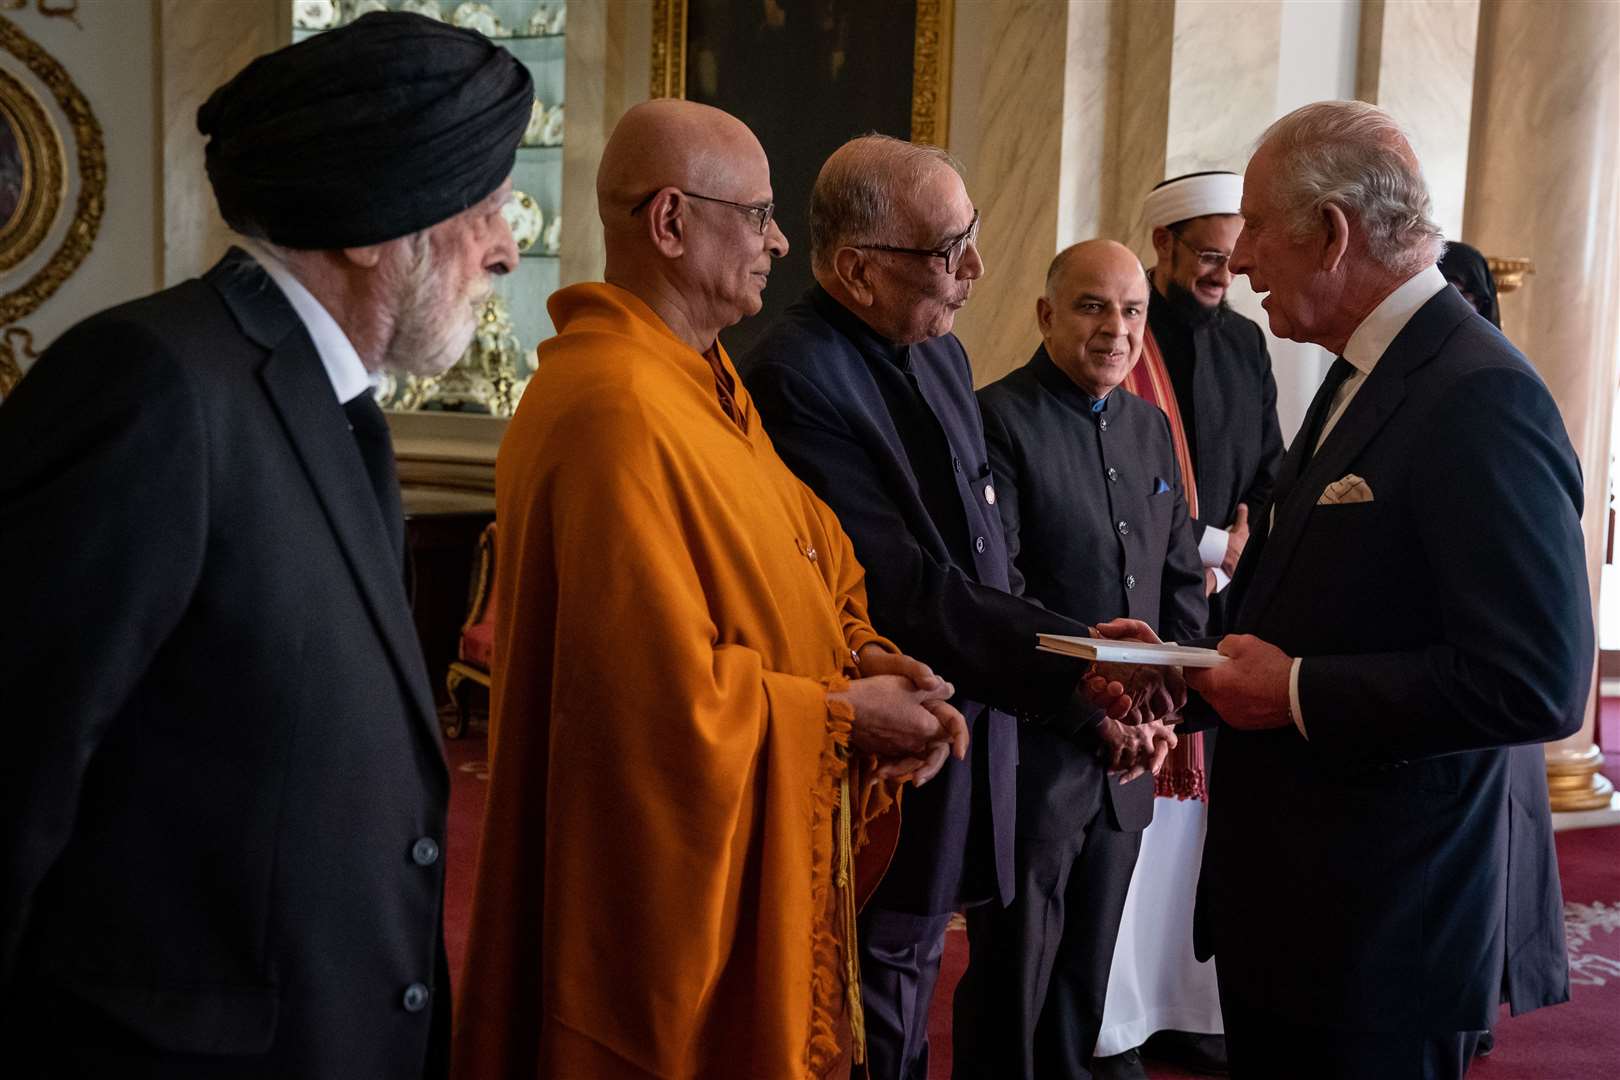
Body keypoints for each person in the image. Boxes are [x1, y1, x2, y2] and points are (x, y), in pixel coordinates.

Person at [0, 13, 531, 1076]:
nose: (508, 249)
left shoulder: (337, 408)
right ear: (372, 225)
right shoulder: (151, 386)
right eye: (481, 207)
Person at [451, 101, 969, 1080]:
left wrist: (858, 649)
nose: (778, 240)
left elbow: (818, 553)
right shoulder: (612, 409)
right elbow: (648, 706)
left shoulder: (703, 385)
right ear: (672, 222)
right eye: (759, 214)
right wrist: (842, 716)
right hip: (657, 912)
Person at [1161, 99, 1590, 1079]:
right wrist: (1170, 661)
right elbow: (1300, 595)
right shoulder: (1369, 372)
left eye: (1259, 230)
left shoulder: (1478, 391)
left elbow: (1535, 684)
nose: (1244, 262)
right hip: (1305, 922)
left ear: (1333, 234)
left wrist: (1298, 691)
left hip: (1383, 932)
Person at [740, 135, 1175, 1080]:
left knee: (926, 976)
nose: (974, 270)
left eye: (969, 237)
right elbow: (899, 583)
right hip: (882, 747)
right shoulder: (791, 375)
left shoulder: (936, 351)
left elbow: (986, 559)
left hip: (981, 735)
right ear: (858, 269)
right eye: (950, 250)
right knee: (873, 999)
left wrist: (1078, 678)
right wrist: (1074, 659)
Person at [973, 239, 1204, 1080]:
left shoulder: (1150, 429)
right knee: (1012, 981)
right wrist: (1093, 710)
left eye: (1133, 310)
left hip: (1130, 761)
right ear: (1044, 314)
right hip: (1037, 752)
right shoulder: (995, 418)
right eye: (1091, 306)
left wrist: (1162, 716)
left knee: (1086, 981)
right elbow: (1003, 591)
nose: (1116, 329)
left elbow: (1180, 580)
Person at [1094, 171, 1284, 1078]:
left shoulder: (1248, 343)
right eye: (1208, 255)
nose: (1223, 273)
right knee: (1139, 808)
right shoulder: (1122, 337)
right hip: (1145, 602)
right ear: (1164, 248)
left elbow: (1271, 464)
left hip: (1223, 607)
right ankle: (1125, 1011)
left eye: (1230, 257)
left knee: (1199, 826)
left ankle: (1189, 1006)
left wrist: (1248, 523)